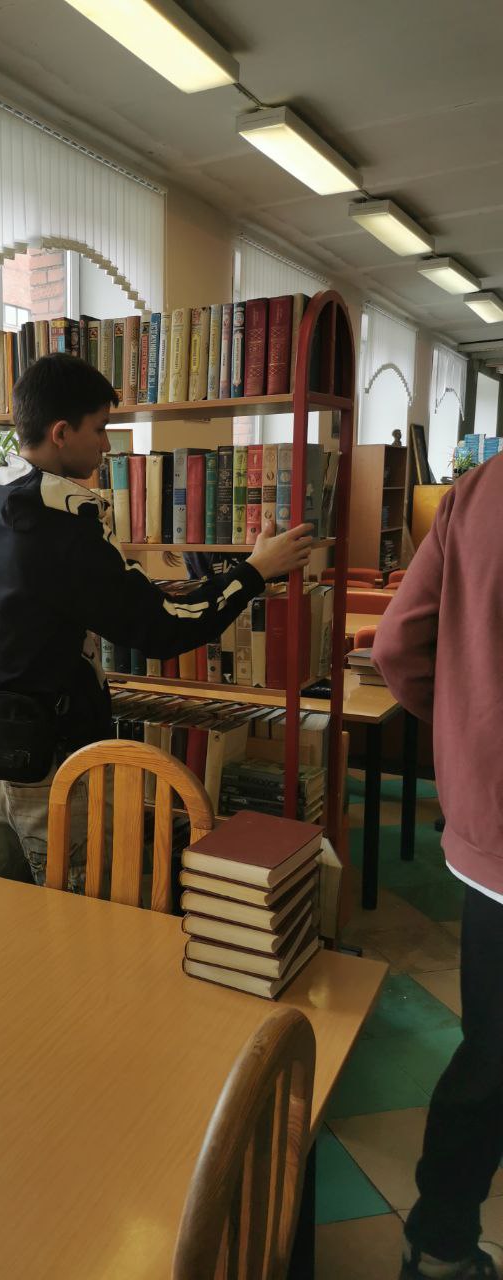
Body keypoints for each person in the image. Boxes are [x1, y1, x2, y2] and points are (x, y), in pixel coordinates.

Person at [0, 353, 314, 889]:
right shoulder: (64, 525)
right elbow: (166, 627)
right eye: (100, 429)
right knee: (80, 910)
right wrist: (255, 571)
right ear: (60, 433)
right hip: (53, 766)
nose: (106, 446)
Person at [374, 456, 503, 1280]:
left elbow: (397, 645)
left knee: (490, 1050)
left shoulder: (482, 489)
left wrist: (464, 735)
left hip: (493, 837)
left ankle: (442, 1240)